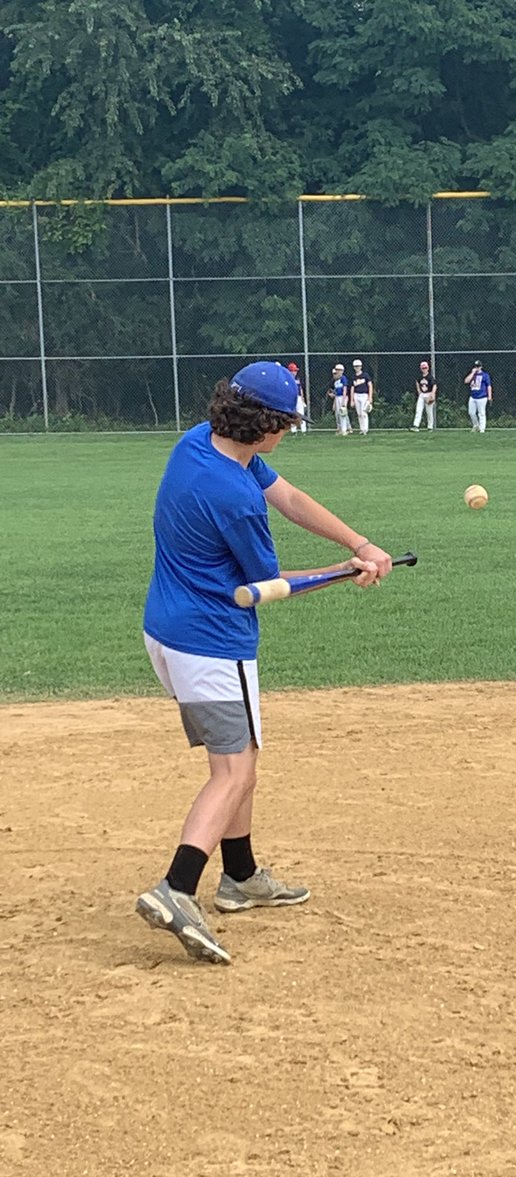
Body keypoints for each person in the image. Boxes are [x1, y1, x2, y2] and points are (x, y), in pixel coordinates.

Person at [137, 361, 393, 964]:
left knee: (241, 757)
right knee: (234, 774)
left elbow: (290, 496)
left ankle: (242, 875)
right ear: (267, 424)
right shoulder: (231, 495)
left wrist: (357, 543)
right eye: (285, 423)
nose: (287, 432)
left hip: (168, 633)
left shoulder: (200, 444)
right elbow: (267, 584)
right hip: (212, 643)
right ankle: (176, 887)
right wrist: (342, 572)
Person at [464, 360, 491, 433]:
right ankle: (476, 425)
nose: (477, 368)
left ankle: (482, 429)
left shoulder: (485, 375)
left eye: (478, 366)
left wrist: (489, 396)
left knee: (481, 413)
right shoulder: (473, 375)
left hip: (482, 396)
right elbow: (466, 381)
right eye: (476, 366)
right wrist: (472, 373)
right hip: (473, 396)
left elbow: (488, 386)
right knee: (471, 412)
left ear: (481, 367)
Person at [411, 360, 437, 431]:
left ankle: (430, 427)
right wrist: (419, 392)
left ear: (428, 368)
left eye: (425, 368)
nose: (424, 369)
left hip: (429, 393)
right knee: (418, 410)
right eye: (423, 368)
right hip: (422, 395)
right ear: (421, 369)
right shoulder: (419, 376)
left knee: (429, 411)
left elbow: (434, 385)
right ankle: (416, 426)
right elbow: (417, 382)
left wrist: (432, 394)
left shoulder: (430, 377)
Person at [350, 358, 374, 435]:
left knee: (364, 413)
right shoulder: (353, 376)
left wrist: (370, 397)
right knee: (359, 413)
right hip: (356, 395)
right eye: (356, 366)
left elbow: (370, 385)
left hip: (364, 395)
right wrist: (352, 400)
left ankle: (365, 429)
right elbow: (352, 388)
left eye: (358, 366)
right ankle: (361, 429)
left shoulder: (365, 375)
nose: (357, 368)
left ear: (361, 367)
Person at [328, 362, 351, 435]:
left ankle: (344, 430)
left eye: (338, 370)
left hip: (343, 397)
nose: (337, 371)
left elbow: (344, 389)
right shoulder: (336, 382)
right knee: (338, 414)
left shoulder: (343, 378)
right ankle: (341, 429)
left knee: (342, 413)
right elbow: (337, 392)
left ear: (342, 371)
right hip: (338, 397)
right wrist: (333, 395)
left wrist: (344, 401)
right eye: (336, 370)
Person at [287, 362, 306, 434]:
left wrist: (303, 398)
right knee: (293, 413)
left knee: (301, 413)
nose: (295, 372)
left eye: (295, 371)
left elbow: (300, 388)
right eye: (293, 371)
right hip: (291, 397)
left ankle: (303, 430)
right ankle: (293, 430)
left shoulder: (297, 379)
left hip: (299, 397)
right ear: (289, 371)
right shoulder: (288, 379)